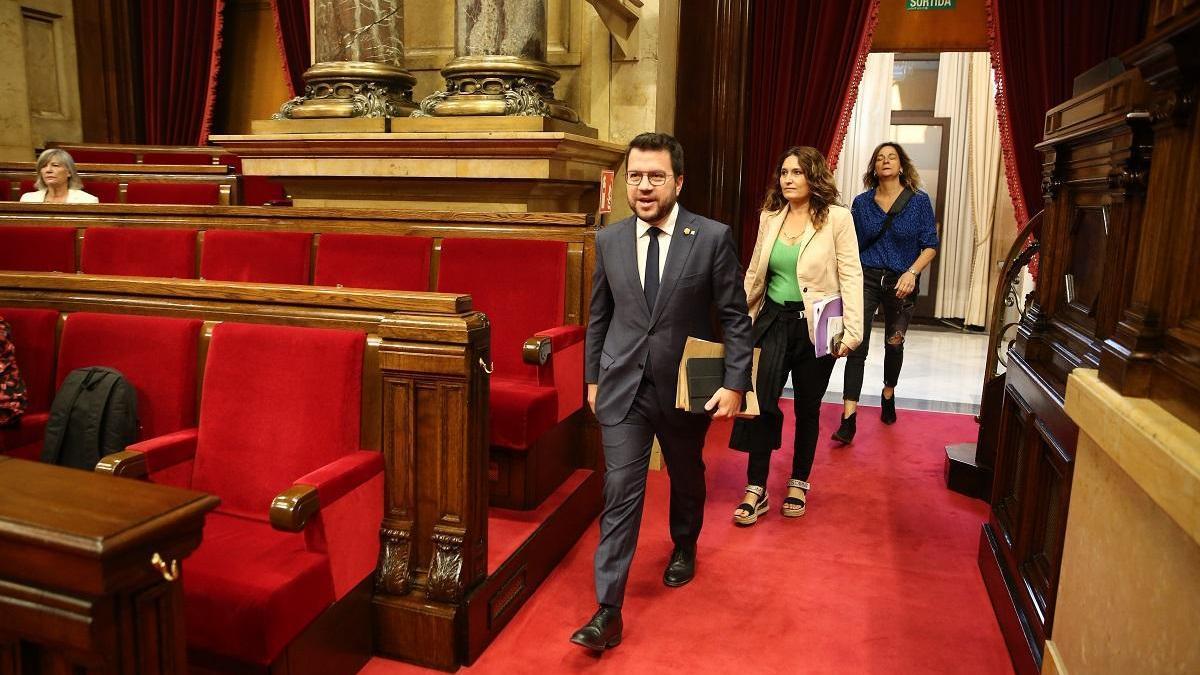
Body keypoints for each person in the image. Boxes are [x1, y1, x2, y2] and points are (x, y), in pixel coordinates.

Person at [571, 132, 753, 651]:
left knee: (685, 473)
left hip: (684, 387)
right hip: (622, 387)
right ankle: (608, 609)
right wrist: (592, 379)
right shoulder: (608, 240)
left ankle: (685, 544)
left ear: (678, 181)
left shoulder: (711, 238)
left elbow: (735, 318)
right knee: (620, 491)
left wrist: (736, 384)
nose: (644, 186)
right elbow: (599, 316)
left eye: (655, 176)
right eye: (635, 176)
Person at [728, 146, 863, 526]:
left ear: (814, 177)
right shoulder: (770, 217)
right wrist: (739, 318)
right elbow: (756, 273)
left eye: (797, 172)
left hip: (818, 325)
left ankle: (798, 481)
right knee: (762, 402)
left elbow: (851, 274)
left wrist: (853, 331)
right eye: (784, 172)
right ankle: (756, 488)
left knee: (808, 407)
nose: (788, 179)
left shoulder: (837, 219)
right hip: (771, 321)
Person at [831, 142, 938, 444]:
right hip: (865, 277)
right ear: (874, 168)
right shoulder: (862, 203)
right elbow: (849, 243)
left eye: (892, 157)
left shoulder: (918, 201)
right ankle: (848, 418)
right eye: (880, 158)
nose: (886, 161)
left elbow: (930, 244)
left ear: (901, 165)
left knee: (894, 343)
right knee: (856, 344)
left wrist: (912, 273)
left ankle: (888, 391)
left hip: (900, 279)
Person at [19, 149, 99, 204]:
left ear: (69, 172)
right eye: (43, 166)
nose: (48, 170)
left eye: (55, 165)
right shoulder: (28, 199)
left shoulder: (87, 201)